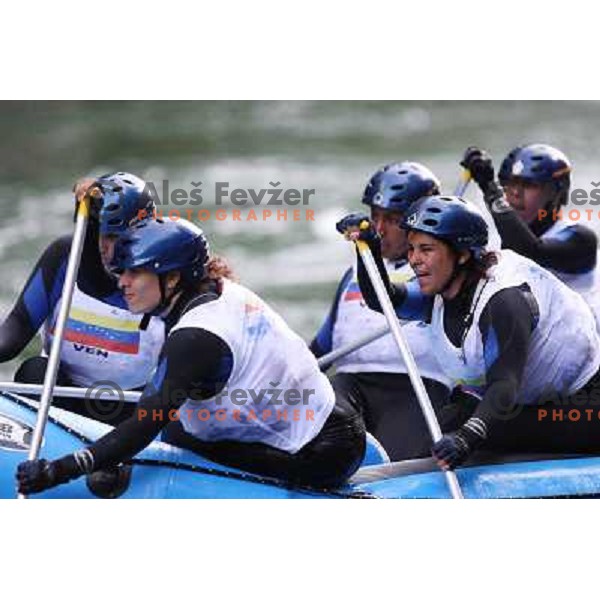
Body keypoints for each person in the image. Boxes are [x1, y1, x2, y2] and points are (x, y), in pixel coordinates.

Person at [16, 218, 366, 495]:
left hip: (320, 452)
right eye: (122, 270)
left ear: (172, 278)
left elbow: (144, 424)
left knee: (175, 435)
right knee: (181, 424)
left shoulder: (195, 337)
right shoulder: (211, 289)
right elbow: (95, 282)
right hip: (331, 423)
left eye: (135, 272)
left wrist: (58, 471)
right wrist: (92, 222)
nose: (122, 282)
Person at [336, 195, 600, 470]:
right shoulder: (443, 285)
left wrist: (467, 438)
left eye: (426, 249)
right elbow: (384, 299)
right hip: (537, 399)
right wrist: (369, 247)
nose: (414, 260)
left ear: (462, 254)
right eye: (411, 249)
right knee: (447, 420)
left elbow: (503, 386)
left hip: (585, 404)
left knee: (480, 428)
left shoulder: (504, 301)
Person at [311, 162, 460, 460]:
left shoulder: (437, 272)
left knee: (391, 465)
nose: (379, 229)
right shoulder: (353, 271)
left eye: (391, 219)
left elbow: (390, 298)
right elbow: (320, 348)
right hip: (350, 386)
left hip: (416, 390)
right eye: (375, 216)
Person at [0, 172, 164, 424]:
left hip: (130, 412)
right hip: (61, 401)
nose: (110, 248)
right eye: (105, 235)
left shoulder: (163, 276)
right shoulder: (65, 256)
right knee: (34, 371)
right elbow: (17, 327)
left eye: (121, 238)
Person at [460, 144, 600, 327]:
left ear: (556, 192)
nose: (515, 193)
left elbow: (528, 251)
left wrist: (490, 189)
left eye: (529, 185)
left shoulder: (581, 239)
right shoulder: (497, 239)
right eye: (509, 183)